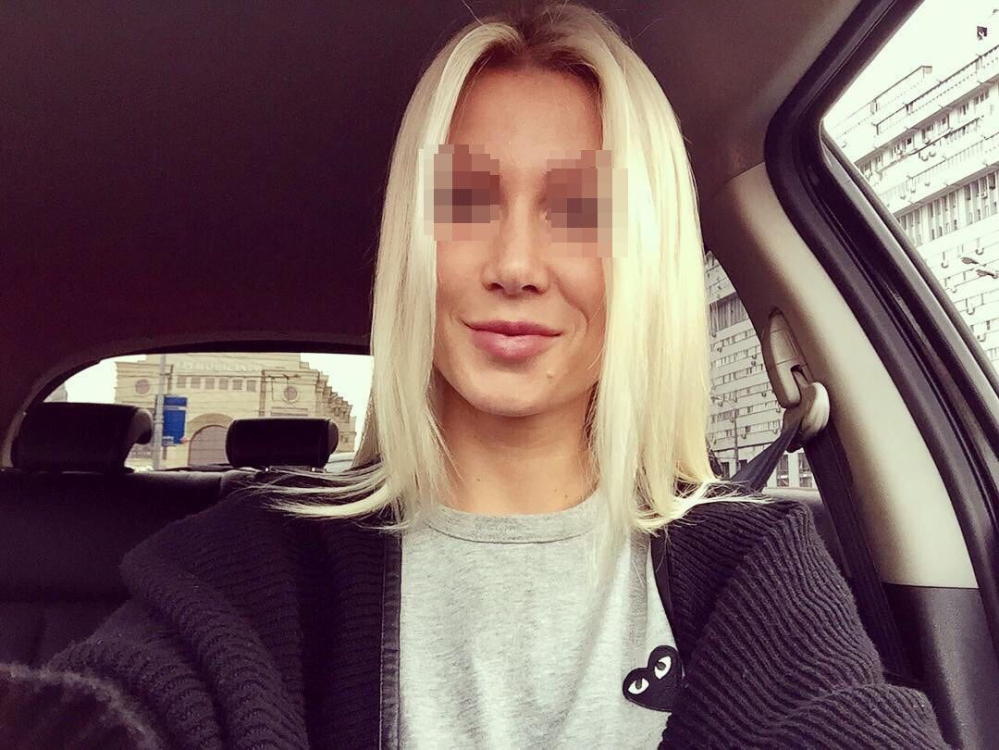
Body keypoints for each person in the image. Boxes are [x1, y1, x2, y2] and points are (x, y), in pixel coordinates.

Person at [0, 3, 950, 748]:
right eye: (465, 199)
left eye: (578, 209)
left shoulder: (752, 566)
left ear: (643, 262)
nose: (515, 263)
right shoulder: (249, 564)